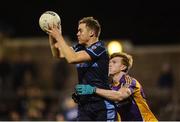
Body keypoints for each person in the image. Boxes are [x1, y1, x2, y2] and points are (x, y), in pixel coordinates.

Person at [46, 17, 117, 121]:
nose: (77, 34)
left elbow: (72, 59)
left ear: (92, 33)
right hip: (84, 105)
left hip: (101, 105)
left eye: (80, 30)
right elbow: (57, 53)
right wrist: (52, 34)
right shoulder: (79, 48)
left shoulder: (100, 48)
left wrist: (59, 36)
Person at [75, 52, 158, 121]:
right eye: (109, 62)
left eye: (114, 62)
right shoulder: (109, 87)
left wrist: (93, 90)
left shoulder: (129, 81)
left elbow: (119, 96)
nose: (109, 65)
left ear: (123, 67)